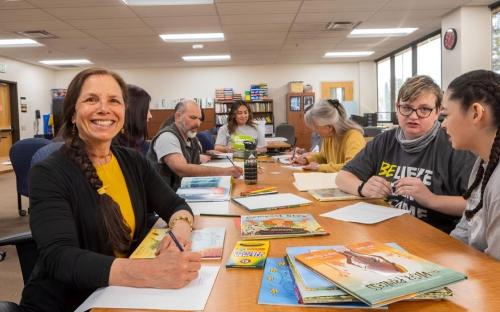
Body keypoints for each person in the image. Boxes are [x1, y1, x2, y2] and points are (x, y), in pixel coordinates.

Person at [20, 68, 201, 312]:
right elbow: (59, 257)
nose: (104, 109)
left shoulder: (132, 161)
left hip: (123, 294)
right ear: (73, 114)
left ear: (124, 113)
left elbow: (176, 205)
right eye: (91, 99)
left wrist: (179, 231)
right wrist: (152, 272)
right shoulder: (49, 172)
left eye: (114, 101)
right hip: (72, 302)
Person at [336, 75, 476, 233]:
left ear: (437, 112)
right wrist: (362, 188)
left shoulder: (455, 144)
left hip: (431, 237)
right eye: (407, 108)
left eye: (424, 109)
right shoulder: (384, 141)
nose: (413, 116)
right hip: (383, 229)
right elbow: (342, 177)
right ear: (397, 108)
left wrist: (431, 200)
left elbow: (476, 205)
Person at [441, 69, 500, 260]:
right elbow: (468, 225)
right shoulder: (483, 163)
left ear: (476, 113)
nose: (442, 125)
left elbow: (494, 269)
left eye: (446, 115)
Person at [148, 99, 242, 191]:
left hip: (184, 192)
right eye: (193, 118)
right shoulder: (167, 137)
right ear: (178, 116)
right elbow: (182, 169)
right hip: (165, 200)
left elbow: (196, 164)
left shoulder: (191, 138)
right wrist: (225, 171)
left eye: (199, 119)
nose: (198, 124)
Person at [291, 99, 366, 172]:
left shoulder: (354, 137)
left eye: (316, 127)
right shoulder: (329, 137)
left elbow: (351, 167)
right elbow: (323, 157)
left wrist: (319, 167)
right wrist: (306, 160)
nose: (315, 131)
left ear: (329, 127)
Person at [115, 84, 153, 156]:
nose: (150, 116)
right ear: (134, 112)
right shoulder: (112, 148)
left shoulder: (141, 143)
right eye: (147, 110)